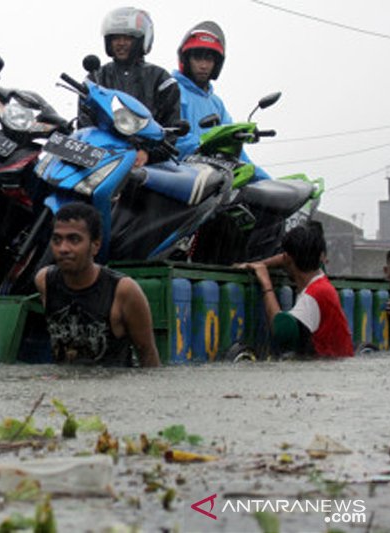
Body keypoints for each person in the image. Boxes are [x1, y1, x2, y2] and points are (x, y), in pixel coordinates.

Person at [34, 202, 161, 367]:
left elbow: (148, 355)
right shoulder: (45, 281)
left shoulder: (123, 291)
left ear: (95, 245)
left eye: (74, 239)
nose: (63, 248)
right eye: (57, 240)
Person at [78, 6, 181, 167]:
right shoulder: (96, 77)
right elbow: (85, 123)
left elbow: (171, 128)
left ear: (142, 40)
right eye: (115, 38)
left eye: (128, 38)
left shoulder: (161, 79)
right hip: (100, 161)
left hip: (147, 166)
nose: (120, 43)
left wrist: (147, 153)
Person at [172, 21, 270, 181]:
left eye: (209, 59)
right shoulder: (172, 91)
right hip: (180, 179)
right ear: (186, 60)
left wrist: (264, 180)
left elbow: (234, 147)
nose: (203, 65)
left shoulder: (216, 104)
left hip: (215, 177)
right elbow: (173, 138)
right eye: (198, 58)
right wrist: (207, 149)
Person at [239, 221, 354, 357]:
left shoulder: (314, 295)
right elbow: (284, 258)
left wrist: (266, 284)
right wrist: (259, 264)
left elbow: (281, 331)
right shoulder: (320, 279)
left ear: (289, 259)